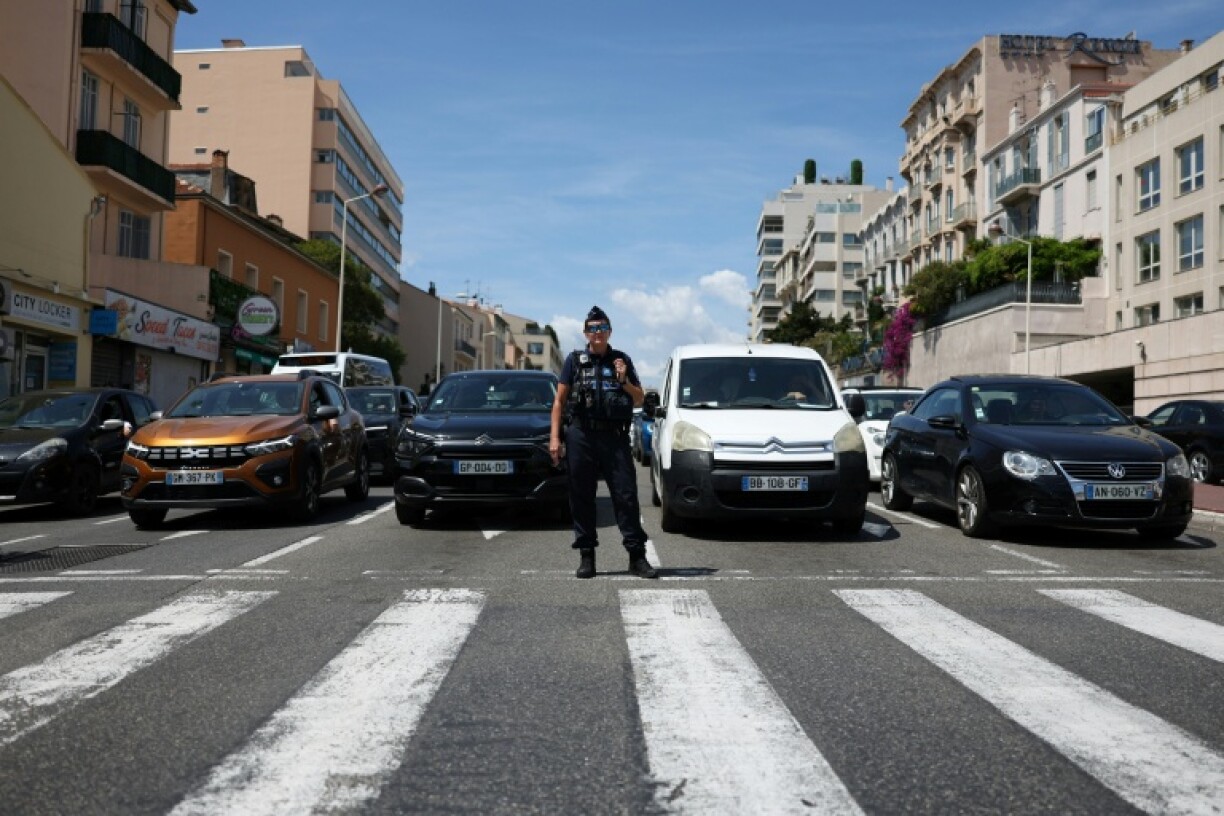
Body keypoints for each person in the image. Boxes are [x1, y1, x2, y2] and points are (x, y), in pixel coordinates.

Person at [550, 306, 656, 580]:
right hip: (581, 435)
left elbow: (638, 398)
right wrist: (555, 438)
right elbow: (559, 402)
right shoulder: (574, 361)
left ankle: (637, 557)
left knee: (626, 495)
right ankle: (587, 556)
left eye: (602, 327)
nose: (598, 333)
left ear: (609, 331)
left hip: (614, 436)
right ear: (586, 333)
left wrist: (622, 380)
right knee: (581, 495)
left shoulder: (622, 359)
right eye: (593, 328)